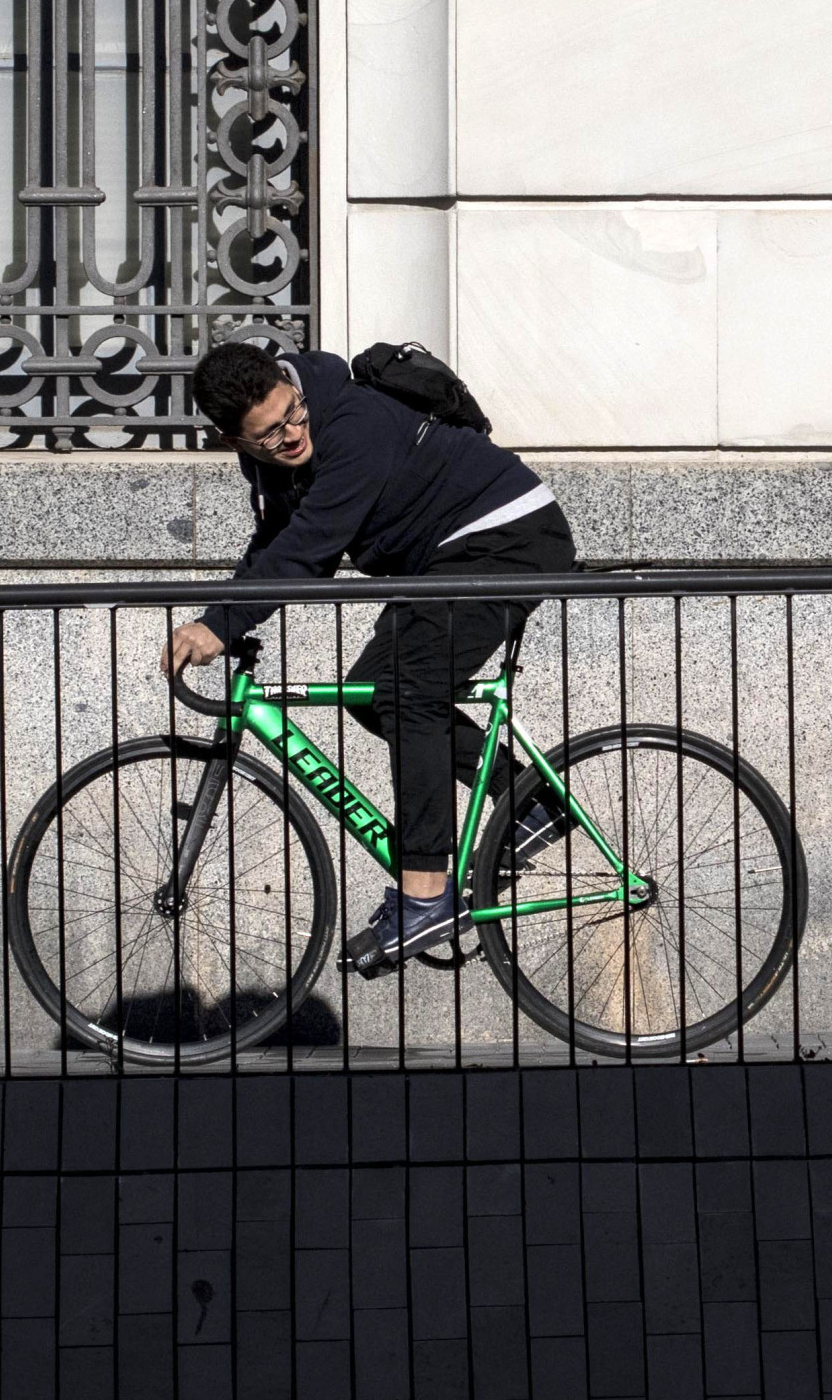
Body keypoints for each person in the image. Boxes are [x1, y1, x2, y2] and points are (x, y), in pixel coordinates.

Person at [164, 343, 577, 972]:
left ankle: (425, 899)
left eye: (293, 413)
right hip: (447, 559)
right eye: (270, 436)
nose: (293, 434)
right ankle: (529, 804)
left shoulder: (353, 422)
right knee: (375, 690)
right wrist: (219, 612)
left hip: (505, 536)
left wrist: (222, 623)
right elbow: (279, 537)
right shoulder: (274, 459)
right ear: (233, 441)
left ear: (290, 383)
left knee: (411, 690)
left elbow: (311, 547)